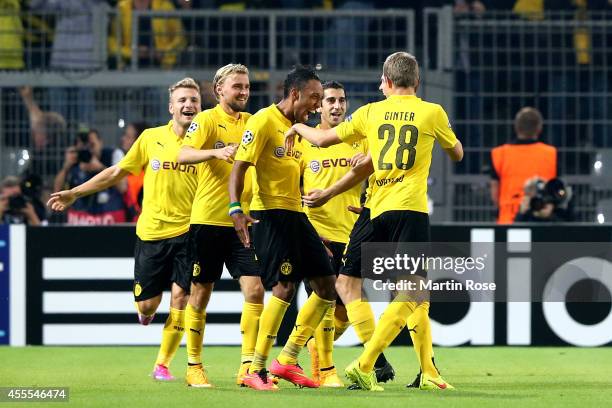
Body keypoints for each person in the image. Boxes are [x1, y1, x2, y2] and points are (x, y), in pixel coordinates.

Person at [285, 51, 463, 391]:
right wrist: (446, 141)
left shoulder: (370, 112)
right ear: (417, 82)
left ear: (388, 81)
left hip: (372, 209)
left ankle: (427, 371)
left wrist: (295, 125)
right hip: (409, 209)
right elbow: (456, 153)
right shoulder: (432, 112)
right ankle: (369, 363)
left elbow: (321, 139)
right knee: (414, 290)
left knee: (346, 284)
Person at [47, 78, 202, 382]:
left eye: (194, 100)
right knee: (147, 304)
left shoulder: (208, 143)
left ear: (201, 106)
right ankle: (145, 311)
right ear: (171, 107)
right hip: (152, 233)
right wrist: (74, 193)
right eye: (182, 100)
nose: (188, 105)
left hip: (190, 232)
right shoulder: (151, 138)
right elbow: (117, 172)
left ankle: (162, 364)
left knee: (182, 297)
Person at [228, 66, 336, 391]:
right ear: (295, 94)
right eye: (314, 97)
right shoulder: (262, 121)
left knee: (327, 284)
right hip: (269, 214)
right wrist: (236, 209)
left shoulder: (300, 130)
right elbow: (239, 167)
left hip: (295, 215)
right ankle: (255, 369)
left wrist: (311, 232)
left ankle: (287, 360)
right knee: (285, 286)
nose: (317, 105)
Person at [175, 64, 266, 387]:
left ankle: (247, 367)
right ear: (219, 91)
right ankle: (194, 365)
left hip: (245, 221)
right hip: (208, 221)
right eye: (237, 87)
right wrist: (216, 152)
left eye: (246, 86)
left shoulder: (254, 122)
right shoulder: (206, 120)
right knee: (200, 293)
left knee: (255, 290)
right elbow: (183, 154)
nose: (243, 92)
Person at [299, 80, 368, 388]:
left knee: (345, 307)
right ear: (319, 106)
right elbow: (291, 188)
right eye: (330, 101)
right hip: (318, 234)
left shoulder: (362, 140)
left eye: (341, 100)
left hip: (352, 236)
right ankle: (325, 370)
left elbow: (383, 176)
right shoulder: (304, 142)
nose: (337, 106)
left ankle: (312, 349)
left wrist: (368, 163)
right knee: (324, 298)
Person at [489, 107, 557, 224]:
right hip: (541, 219)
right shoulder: (551, 154)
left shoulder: (499, 154)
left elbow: (495, 192)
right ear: (539, 128)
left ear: (516, 128)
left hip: (508, 221)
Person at [53, 128, 127, 225]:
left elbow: (123, 188)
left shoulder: (113, 155)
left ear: (100, 142)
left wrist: (101, 168)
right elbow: (56, 192)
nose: (89, 150)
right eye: (85, 146)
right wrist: (66, 167)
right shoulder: (76, 158)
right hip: (80, 218)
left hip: (108, 217)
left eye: (92, 145)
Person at [120, 122, 149, 222]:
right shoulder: (127, 168)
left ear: (139, 142)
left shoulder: (145, 174)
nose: (123, 139)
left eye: (128, 137)